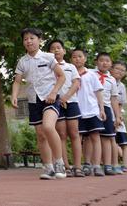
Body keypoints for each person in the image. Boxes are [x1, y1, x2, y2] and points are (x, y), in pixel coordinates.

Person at [11, 28, 66, 180]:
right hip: (33, 100)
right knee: (41, 135)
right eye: (25, 39)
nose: (28, 41)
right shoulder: (22, 61)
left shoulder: (48, 57)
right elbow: (17, 81)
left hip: (50, 98)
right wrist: (14, 96)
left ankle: (59, 163)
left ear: (39, 40)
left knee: (49, 127)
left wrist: (54, 92)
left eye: (32, 38)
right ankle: (48, 168)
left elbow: (61, 77)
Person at [47, 40, 83, 177]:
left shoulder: (70, 67)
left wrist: (66, 97)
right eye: (52, 48)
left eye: (58, 48)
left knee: (74, 134)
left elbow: (76, 83)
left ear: (64, 51)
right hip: (55, 103)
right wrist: (58, 98)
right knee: (61, 134)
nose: (56, 50)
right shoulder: (48, 67)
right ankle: (65, 166)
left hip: (71, 102)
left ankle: (78, 166)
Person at [71, 48, 106, 177]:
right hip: (76, 111)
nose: (77, 59)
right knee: (79, 138)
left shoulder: (91, 75)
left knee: (95, 137)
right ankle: (82, 165)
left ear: (85, 59)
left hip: (92, 110)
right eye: (74, 57)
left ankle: (96, 165)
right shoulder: (69, 74)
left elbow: (98, 92)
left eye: (80, 56)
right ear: (71, 60)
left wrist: (101, 109)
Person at [92, 53, 122, 176]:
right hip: (92, 108)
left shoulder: (112, 80)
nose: (104, 63)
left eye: (107, 61)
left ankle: (109, 165)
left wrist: (117, 116)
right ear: (96, 62)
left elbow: (114, 99)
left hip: (107, 109)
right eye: (101, 60)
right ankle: (93, 164)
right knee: (91, 137)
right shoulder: (91, 75)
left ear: (111, 64)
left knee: (108, 138)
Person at [111, 61, 127, 173]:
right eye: (117, 69)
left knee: (124, 142)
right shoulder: (106, 80)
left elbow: (121, 102)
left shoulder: (122, 86)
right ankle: (113, 163)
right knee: (111, 140)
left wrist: (119, 115)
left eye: (122, 70)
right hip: (108, 114)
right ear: (111, 69)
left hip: (118, 115)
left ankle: (125, 165)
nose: (120, 72)